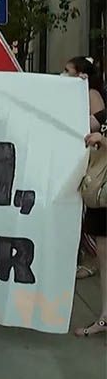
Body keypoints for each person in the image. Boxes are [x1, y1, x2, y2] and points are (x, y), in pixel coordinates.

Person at [68, 57, 107, 283]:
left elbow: (96, 125)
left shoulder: (92, 94)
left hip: (95, 169)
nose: (63, 75)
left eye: (67, 71)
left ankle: (92, 261)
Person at [77, 111, 107, 337]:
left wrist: (102, 140)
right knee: (104, 261)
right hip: (101, 196)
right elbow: (82, 120)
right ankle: (104, 318)